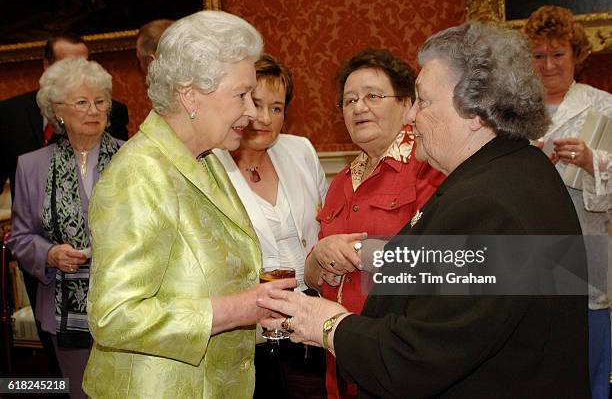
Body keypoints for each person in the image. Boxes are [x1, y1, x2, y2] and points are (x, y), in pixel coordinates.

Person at [258, 22, 591, 398]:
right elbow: (458, 273)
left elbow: (418, 357)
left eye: (423, 100)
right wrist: (355, 254)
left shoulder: (486, 205)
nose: (412, 115)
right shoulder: (518, 170)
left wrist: (328, 325)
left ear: (475, 110)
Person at [82, 11, 292, 398]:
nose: (251, 111)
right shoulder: (140, 174)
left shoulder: (207, 158)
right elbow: (113, 317)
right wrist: (238, 309)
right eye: (241, 95)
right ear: (190, 94)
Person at [302, 48, 443, 398]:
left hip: (398, 358)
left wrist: (359, 253)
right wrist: (320, 257)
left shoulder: (430, 169)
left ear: (408, 104)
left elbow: (442, 262)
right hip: (340, 359)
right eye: (349, 101)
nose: (358, 107)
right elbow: (312, 274)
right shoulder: (339, 182)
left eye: (372, 96)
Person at [7, 57, 123, 399]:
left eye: (101, 101)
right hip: (66, 313)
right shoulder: (31, 166)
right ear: (58, 111)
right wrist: (51, 254)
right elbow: (21, 236)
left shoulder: (132, 158)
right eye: (82, 102)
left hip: (127, 302)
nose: (94, 110)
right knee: (82, 392)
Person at [215, 54, 328, 398]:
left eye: (276, 108)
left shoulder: (300, 150)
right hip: (248, 321)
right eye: (255, 103)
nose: (264, 118)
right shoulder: (209, 164)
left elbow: (326, 222)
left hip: (311, 308)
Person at [524, 6, 612, 398]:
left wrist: (593, 161)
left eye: (557, 54)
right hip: (525, 251)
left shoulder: (603, 106)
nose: (547, 65)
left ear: (577, 54)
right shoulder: (514, 111)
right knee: (533, 362)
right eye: (538, 55)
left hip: (587, 247)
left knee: (589, 363)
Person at [0, 33, 129, 200]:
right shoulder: (9, 113)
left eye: (83, 64)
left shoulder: (109, 111)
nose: (78, 73)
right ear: (47, 66)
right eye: (67, 65)